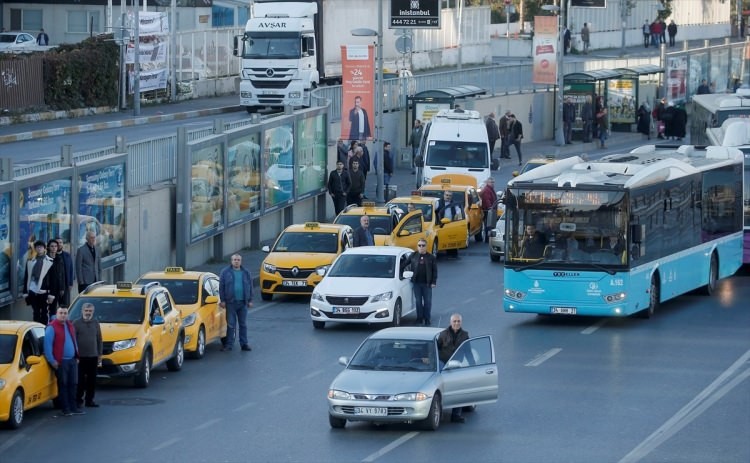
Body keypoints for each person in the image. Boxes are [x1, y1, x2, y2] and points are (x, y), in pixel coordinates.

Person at [44, 307, 84, 416]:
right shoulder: (51, 327)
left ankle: (73, 407)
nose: (63, 315)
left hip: (72, 360)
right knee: (63, 385)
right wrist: (52, 361)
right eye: (61, 313)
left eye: (65, 313)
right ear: (56, 314)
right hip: (61, 362)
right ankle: (66, 409)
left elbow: (74, 340)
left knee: (73, 384)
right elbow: (47, 346)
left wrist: (77, 356)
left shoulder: (69, 325)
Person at [437, 313, 469, 423]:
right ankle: (439, 412)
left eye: (458, 321)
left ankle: (456, 415)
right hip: (443, 364)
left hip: (457, 365)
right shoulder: (443, 334)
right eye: (454, 321)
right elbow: (436, 350)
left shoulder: (465, 335)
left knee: (458, 389)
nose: (456, 323)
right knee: (441, 388)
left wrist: (473, 364)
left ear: (461, 322)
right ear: (450, 322)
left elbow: (468, 351)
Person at [218, 254, 253, 352]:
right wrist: (223, 300)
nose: (236, 261)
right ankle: (229, 345)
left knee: (243, 324)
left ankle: (244, 344)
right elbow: (221, 288)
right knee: (231, 325)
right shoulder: (225, 272)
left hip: (243, 303)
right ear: (231, 261)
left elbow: (250, 286)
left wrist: (250, 300)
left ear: (241, 261)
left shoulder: (246, 272)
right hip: (230, 303)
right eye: (234, 260)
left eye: (238, 260)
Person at [74, 302, 102, 408]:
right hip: (80, 357)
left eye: (90, 311)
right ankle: (78, 400)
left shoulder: (96, 323)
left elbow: (99, 339)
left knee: (92, 381)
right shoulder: (76, 323)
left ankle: (89, 400)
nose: (88, 313)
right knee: (80, 381)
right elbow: (73, 340)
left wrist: (100, 355)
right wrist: (75, 355)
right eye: (86, 311)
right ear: (82, 311)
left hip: (93, 356)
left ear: (93, 312)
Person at [23, 240, 57, 325]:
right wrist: (25, 292)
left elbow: (53, 279)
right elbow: (27, 277)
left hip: (44, 291)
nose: (39, 249)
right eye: (37, 247)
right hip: (32, 290)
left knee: (44, 312)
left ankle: (43, 330)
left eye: (41, 247)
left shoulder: (50, 261)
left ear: (45, 248)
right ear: (35, 249)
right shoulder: (30, 261)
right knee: (36, 312)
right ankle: (36, 330)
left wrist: (51, 294)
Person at [407, 239, 437, 326]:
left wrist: (433, 282)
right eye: (419, 245)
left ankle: (427, 318)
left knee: (427, 302)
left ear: (426, 246)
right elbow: (405, 263)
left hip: (427, 284)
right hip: (416, 283)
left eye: (423, 245)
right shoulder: (413, 255)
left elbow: (434, 271)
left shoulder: (431, 257)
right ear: (417, 246)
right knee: (418, 302)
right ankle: (419, 318)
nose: (421, 247)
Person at [45, 239, 68, 319]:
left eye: (55, 246)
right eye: (52, 246)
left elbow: (62, 274)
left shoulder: (59, 259)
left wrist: (62, 287)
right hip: (48, 288)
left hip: (58, 287)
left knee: (59, 307)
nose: (54, 248)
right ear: (48, 247)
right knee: (50, 309)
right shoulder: (46, 259)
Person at [55, 237, 75, 307]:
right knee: (53, 308)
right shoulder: (51, 256)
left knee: (65, 306)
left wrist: (70, 283)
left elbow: (71, 270)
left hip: (65, 285)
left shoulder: (67, 255)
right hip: (54, 286)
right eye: (57, 243)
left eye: (60, 242)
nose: (59, 244)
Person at [479, 177, 497, 243]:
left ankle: (488, 238)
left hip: (489, 209)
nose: (492, 183)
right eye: (491, 182)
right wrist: (490, 208)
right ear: (487, 183)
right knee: (488, 225)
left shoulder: (490, 189)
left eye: (493, 182)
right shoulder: (487, 190)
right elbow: (487, 200)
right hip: (488, 210)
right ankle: (487, 239)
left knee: (488, 225)